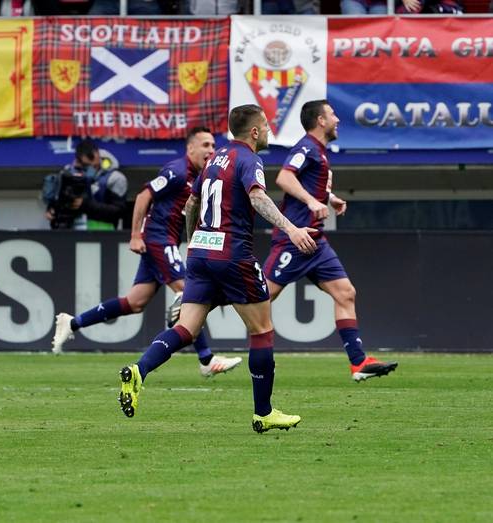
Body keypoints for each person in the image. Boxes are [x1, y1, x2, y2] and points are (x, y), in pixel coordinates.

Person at [119, 104, 317, 433]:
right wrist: (291, 229)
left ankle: (138, 371)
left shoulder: (215, 160)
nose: (268, 131)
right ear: (254, 132)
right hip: (233, 254)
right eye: (266, 126)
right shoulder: (249, 159)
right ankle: (263, 412)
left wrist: (194, 239)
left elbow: (191, 205)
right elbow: (258, 198)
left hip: (199, 253)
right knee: (262, 330)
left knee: (186, 330)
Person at [52, 127, 242, 378]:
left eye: (213, 145)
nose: (211, 150)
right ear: (190, 148)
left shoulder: (200, 176)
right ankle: (206, 359)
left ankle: (72, 322)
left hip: (165, 240)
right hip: (157, 239)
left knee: (135, 302)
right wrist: (135, 235)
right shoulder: (177, 170)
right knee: (190, 292)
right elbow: (143, 196)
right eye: (205, 145)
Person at [262, 100, 398, 382]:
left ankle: (358, 364)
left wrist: (328, 198)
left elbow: (308, 185)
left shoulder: (320, 153)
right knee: (261, 297)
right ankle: (198, 310)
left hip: (316, 241)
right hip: (295, 239)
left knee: (345, 293)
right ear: (320, 121)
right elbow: (285, 178)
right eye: (333, 115)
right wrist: (312, 201)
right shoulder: (306, 147)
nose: (338, 119)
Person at [44, 139, 128, 230]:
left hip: (104, 236)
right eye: (87, 165)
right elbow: (59, 201)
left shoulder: (115, 178)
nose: (92, 169)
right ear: (78, 161)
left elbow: (119, 212)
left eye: (95, 165)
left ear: (98, 154)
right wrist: (52, 210)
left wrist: (86, 205)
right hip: (70, 232)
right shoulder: (68, 175)